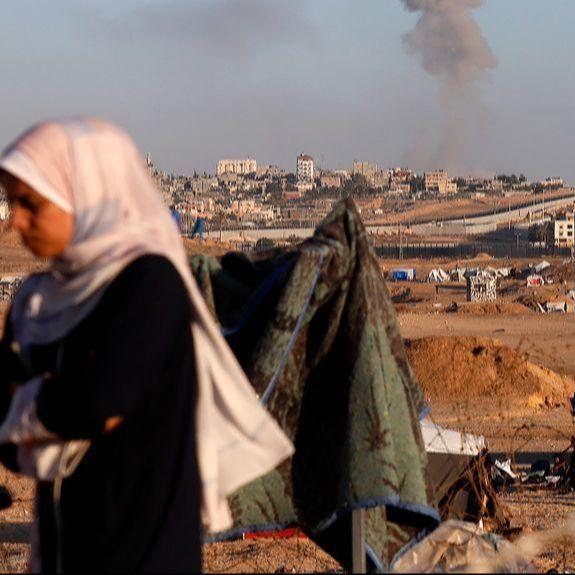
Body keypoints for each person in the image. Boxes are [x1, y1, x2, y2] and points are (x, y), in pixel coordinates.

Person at [0, 119, 293, 572]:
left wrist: (33, 403)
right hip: (62, 550)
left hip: (142, 551)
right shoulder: (38, 303)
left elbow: (99, 400)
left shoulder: (149, 282)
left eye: (31, 204)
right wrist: (50, 405)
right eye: (11, 202)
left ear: (86, 196)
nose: (15, 220)